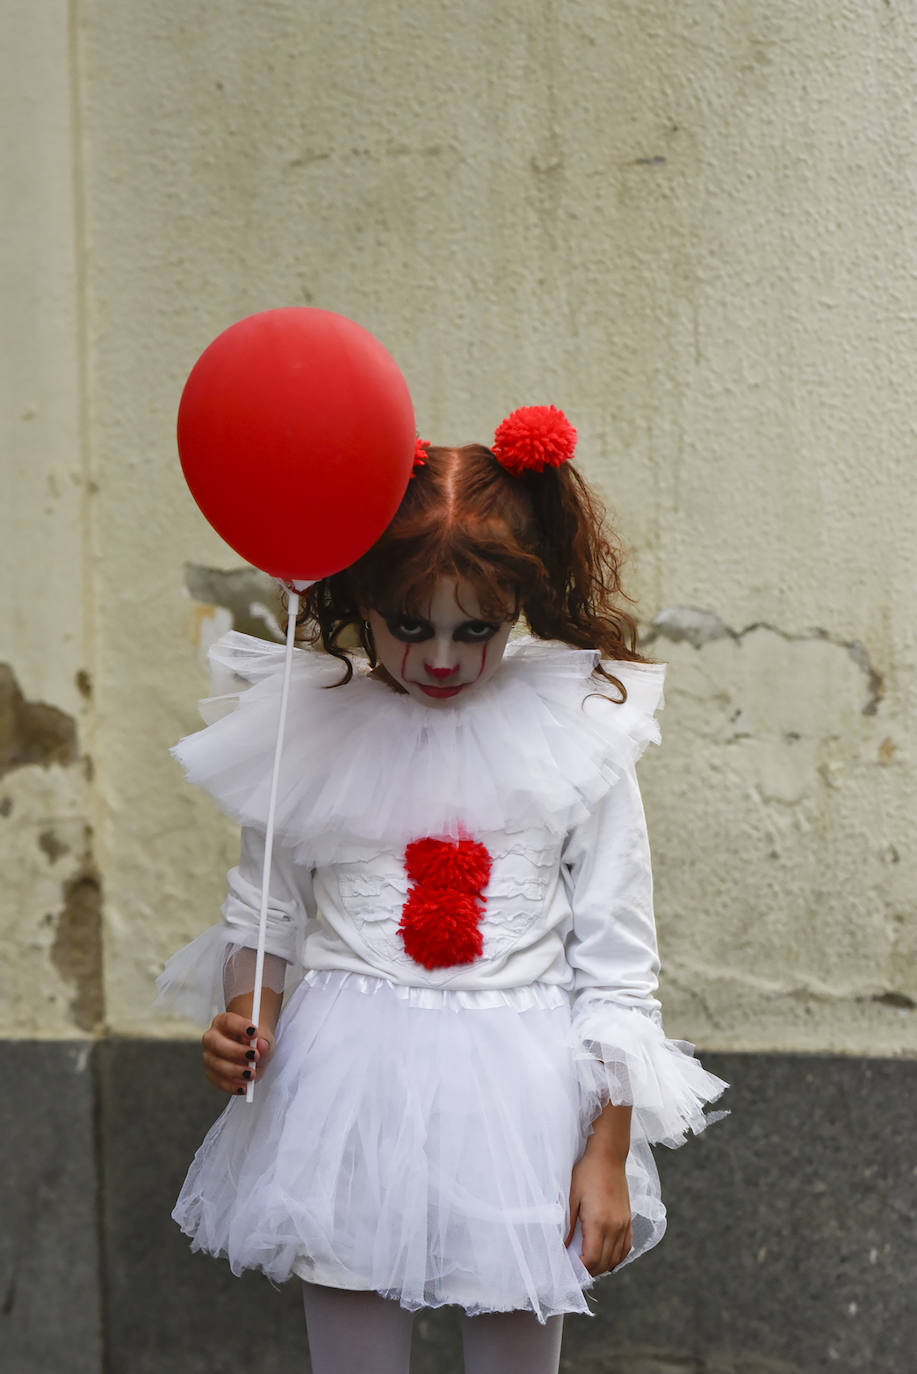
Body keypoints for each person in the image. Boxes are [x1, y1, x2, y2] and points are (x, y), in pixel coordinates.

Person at [157, 405, 727, 1374]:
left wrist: (604, 1148)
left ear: (518, 607)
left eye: (478, 630)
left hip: (520, 1098)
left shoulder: (578, 729)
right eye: (408, 625)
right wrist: (244, 1014)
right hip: (343, 1089)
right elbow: (268, 908)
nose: (440, 659)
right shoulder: (310, 725)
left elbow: (616, 958)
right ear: (358, 593)